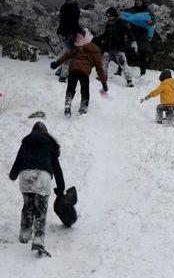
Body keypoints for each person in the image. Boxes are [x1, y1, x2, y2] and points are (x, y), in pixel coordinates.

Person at [9, 122, 66, 256]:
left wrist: (13, 174)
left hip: (25, 176)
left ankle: (25, 233)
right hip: (42, 177)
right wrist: (61, 188)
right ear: (44, 132)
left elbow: (17, 161)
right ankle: (38, 240)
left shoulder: (26, 143)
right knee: (41, 211)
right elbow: (57, 169)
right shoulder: (49, 144)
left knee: (28, 206)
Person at [50, 29, 107, 118]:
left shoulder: (81, 47)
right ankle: (83, 108)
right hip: (84, 73)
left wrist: (56, 63)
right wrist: (104, 83)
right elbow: (100, 70)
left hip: (73, 70)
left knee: (71, 87)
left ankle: (68, 101)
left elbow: (67, 55)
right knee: (85, 90)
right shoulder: (97, 54)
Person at [94, 7, 135, 87]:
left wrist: (133, 42)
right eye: (107, 16)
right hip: (108, 47)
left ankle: (129, 80)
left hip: (118, 48)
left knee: (123, 64)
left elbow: (129, 33)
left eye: (110, 16)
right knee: (104, 63)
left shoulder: (121, 23)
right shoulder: (108, 24)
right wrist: (96, 38)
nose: (108, 17)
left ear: (114, 15)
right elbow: (105, 34)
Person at [121, 0, 156, 76]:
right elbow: (125, 17)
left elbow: (153, 20)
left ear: (143, 1)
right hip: (132, 32)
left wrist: (151, 22)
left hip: (143, 33)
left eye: (140, 0)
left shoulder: (147, 11)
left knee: (142, 53)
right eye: (137, 0)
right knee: (126, 51)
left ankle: (143, 73)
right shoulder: (131, 10)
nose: (138, 2)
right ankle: (120, 71)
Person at [55, 0, 83, 83]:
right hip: (69, 34)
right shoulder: (74, 8)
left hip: (61, 33)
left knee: (66, 52)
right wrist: (81, 31)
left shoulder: (64, 6)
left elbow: (65, 21)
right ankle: (63, 76)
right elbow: (74, 23)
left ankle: (59, 71)